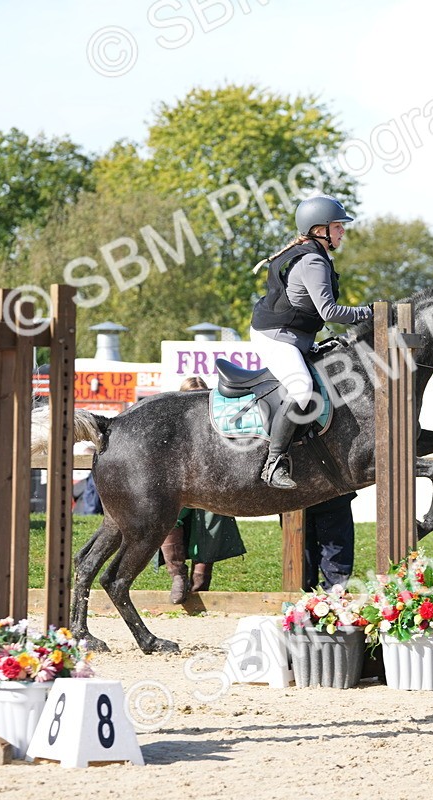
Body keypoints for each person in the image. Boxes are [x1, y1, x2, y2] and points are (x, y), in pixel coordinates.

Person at [249, 195, 372, 489]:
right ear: (319, 230)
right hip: (276, 336)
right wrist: (369, 312)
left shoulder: (315, 255)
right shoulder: (313, 260)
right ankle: (274, 463)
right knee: (302, 389)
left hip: (295, 336)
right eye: (337, 226)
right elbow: (329, 312)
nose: (342, 231)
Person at [159, 376, 247, 601]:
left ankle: (200, 584)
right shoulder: (172, 422)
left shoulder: (219, 421)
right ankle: (178, 576)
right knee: (169, 518)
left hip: (211, 483)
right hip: (180, 484)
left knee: (212, 523)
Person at [303, 492, 357, 591]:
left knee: (302, 549)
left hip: (333, 495)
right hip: (333, 495)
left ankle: (334, 592)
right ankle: (334, 591)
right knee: (301, 549)